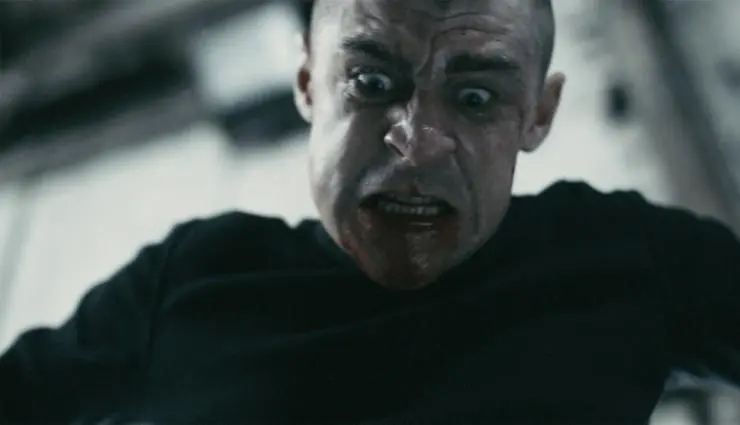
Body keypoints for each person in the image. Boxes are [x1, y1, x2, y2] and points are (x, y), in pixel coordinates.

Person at [1, 0, 739, 423]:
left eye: (475, 97)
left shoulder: (618, 253)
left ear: (537, 115)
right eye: (371, 82)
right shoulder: (191, 278)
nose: (416, 143)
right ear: (307, 83)